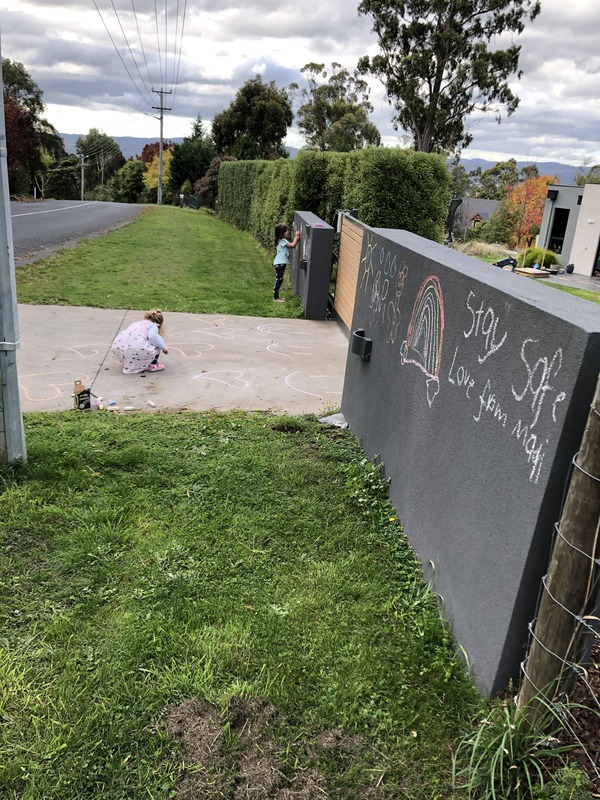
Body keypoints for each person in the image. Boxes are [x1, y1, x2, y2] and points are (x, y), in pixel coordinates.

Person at [111, 309, 169, 374]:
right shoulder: (153, 326)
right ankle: (153, 365)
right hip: (137, 348)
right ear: (159, 324)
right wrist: (163, 347)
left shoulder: (135, 324)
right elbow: (153, 337)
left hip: (119, 347)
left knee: (130, 345)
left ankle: (127, 363)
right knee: (157, 344)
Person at [273, 222, 300, 301]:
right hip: (280, 264)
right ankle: (275, 298)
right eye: (287, 231)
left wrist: (296, 239)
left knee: (280, 279)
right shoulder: (282, 241)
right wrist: (296, 236)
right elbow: (292, 245)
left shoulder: (280, 240)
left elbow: (293, 244)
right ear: (282, 233)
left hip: (280, 264)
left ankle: (277, 297)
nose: (288, 232)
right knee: (279, 280)